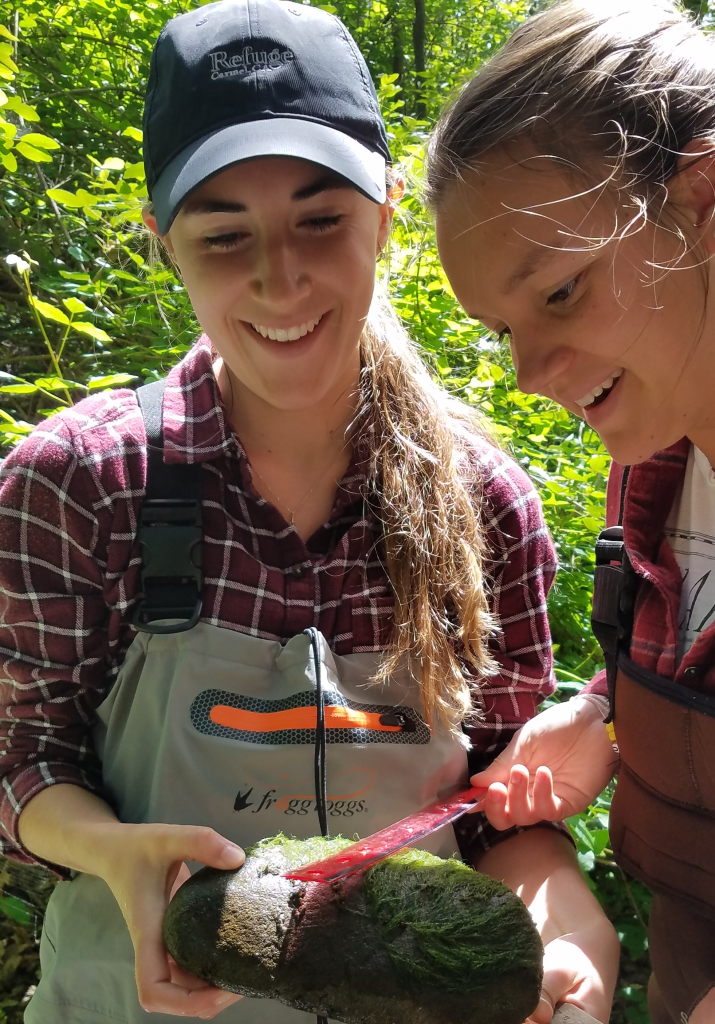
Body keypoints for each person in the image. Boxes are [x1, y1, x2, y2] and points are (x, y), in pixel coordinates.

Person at [0, 2, 620, 1023]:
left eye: (320, 219)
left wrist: (565, 936)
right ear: (165, 244)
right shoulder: (81, 482)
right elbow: (24, 763)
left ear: (384, 213)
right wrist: (114, 851)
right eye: (224, 234)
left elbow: (503, 818)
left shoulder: (485, 502)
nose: (277, 276)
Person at [427, 1, 715, 1022]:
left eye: (557, 293)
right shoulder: (652, 466)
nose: (526, 375)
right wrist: (606, 714)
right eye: (501, 331)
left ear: (701, 199)